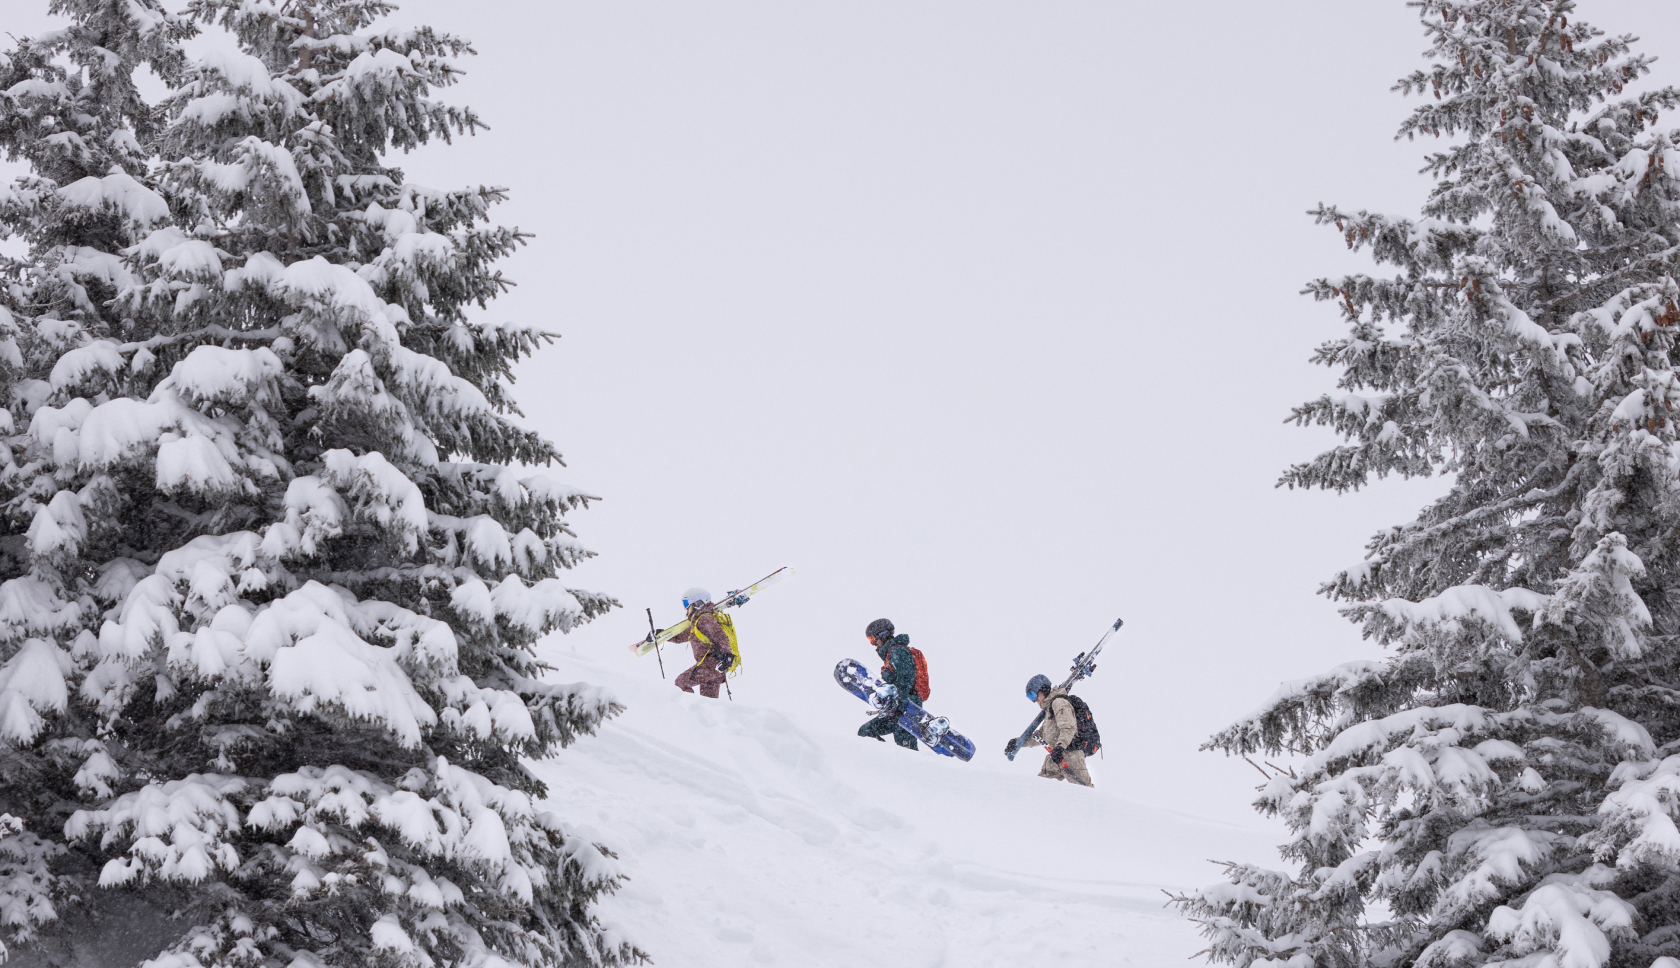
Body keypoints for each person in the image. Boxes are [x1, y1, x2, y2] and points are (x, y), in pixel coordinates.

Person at [1012, 673, 1094, 787]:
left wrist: (1060, 747)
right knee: (1040, 788)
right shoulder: (1049, 709)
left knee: (1084, 791)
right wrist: (1018, 742)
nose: (1034, 701)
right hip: (1056, 758)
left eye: (1033, 695)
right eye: (1030, 697)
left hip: (1071, 756)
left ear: (1043, 690)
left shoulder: (1058, 703)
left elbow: (1068, 727)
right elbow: (1041, 736)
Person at [856, 618, 919, 750]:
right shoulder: (892, 653)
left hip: (907, 706)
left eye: (873, 639)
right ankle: (884, 756)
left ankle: (903, 760)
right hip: (898, 706)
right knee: (866, 731)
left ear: (883, 634)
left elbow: (905, 681)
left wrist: (900, 708)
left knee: (906, 748)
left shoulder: (898, 651)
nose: (873, 644)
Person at [671, 587, 734, 699]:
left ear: (697, 603)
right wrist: (663, 636)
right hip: (716, 667)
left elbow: (720, 636)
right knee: (708, 700)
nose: (686, 609)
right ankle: (707, 711)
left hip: (710, 664)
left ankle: (686, 708)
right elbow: (680, 637)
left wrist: (727, 654)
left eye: (686, 604)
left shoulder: (704, 619)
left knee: (681, 682)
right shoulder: (698, 621)